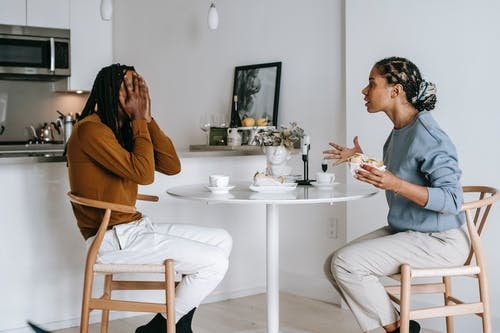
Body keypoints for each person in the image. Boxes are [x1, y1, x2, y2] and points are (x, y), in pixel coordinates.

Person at [66, 64, 233, 333]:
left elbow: (171, 165)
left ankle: (164, 326)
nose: (138, 94)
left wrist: (148, 117)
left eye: (140, 86)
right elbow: (144, 174)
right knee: (216, 262)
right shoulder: (91, 130)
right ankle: (165, 328)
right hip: (111, 239)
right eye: (130, 87)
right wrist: (139, 121)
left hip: (134, 228)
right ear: (111, 92)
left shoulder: (120, 129)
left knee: (222, 239)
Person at [322, 57, 469, 333]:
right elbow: (401, 172)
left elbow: (452, 201)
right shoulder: (400, 131)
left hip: (440, 240)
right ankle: (402, 328)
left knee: (346, 264)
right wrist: (361, 158)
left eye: (371, 84)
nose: (364, 91)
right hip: (411, 230)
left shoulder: (428, 134)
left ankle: (399, 330)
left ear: (396, 90)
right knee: (333, 264)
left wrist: (396, 184)